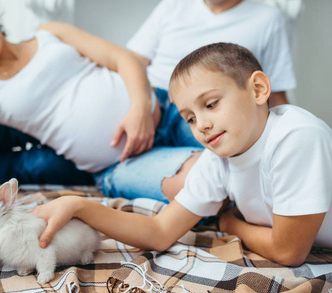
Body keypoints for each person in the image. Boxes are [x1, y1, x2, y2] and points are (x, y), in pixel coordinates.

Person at [0, 0, 203, 227]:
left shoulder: (49, 33)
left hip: (163, 112)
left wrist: (138, 110)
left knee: (238, 145)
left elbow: (123, 59)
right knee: (205, 178)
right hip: (121, 163)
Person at [32, 43, 332, 266]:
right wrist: (78, 206)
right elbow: (159, 231)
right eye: (189, 118)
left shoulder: (296, 136)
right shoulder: (218, 159)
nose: (201, 125)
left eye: (211, 104)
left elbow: (288, 251)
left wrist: (229, 224)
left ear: (258, 89)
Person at [127, 0, 296, 107]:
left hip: (205, 111)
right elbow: (132, 62)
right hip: (146, 98)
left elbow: (275, 95)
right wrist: (141, 104)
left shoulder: (269, 19)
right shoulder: (173, 5)